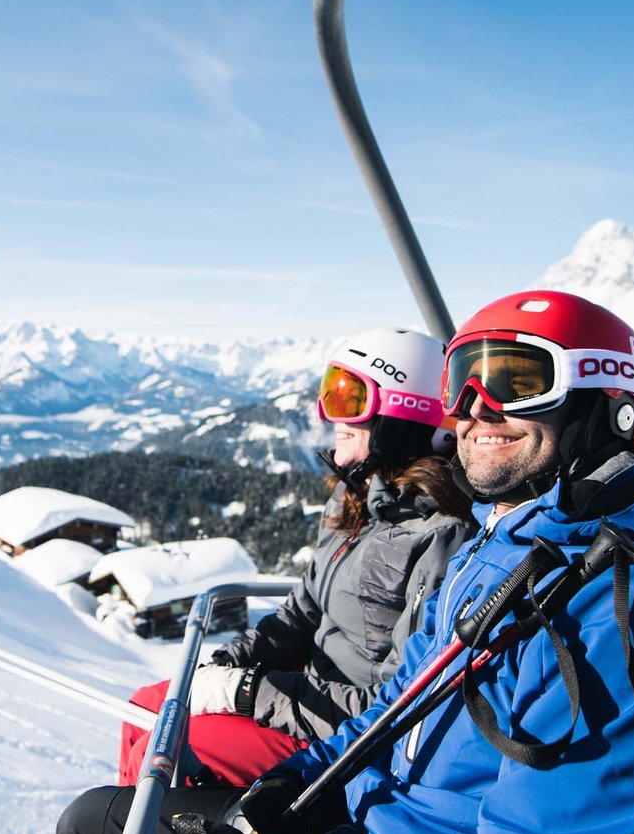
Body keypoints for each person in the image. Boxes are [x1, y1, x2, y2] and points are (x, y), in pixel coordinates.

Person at [40, 290, 634, 834]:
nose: (476, 407)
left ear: (612, 408)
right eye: (464, 381)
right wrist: (295, 784)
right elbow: (394, 704)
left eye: (517, 380)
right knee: (103, 826)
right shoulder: (504, 555)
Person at [115, 327, 476, 787]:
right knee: (146, 708)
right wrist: (232, 663)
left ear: (404, 418)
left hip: (341, 738)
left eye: (350, 399)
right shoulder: (357, 501)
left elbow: (398, 700)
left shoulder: (442, 537)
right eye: (329, 391)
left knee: (161, 750)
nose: (329, 415)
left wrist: (250, 692)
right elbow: (302, 612)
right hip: (301, 699)